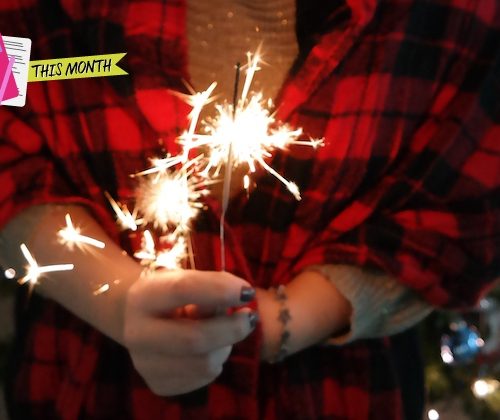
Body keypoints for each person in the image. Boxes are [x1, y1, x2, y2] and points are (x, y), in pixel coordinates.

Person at [0, 0, 499, 418]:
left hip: (343, 391)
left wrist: (283, 320)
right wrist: (114, 298)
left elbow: (467, 205)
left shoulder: (453, 17)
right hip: (82, 384)